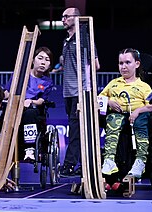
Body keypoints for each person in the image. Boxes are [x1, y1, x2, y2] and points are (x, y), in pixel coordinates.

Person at [99, 48, 152, 178]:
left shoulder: (144, 86)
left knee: (141, 119)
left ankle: (140, 161)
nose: (123, 67)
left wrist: (137, 111)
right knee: (113, 118)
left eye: (127, 62)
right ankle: (109, 161)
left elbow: (151, 106)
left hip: (137, 118)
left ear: (137, 64)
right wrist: (108, 102)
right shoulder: (113, 83)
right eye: (121, 63)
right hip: (118, 116)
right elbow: (98, 98)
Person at [57, 7, 101, 177]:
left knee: (77, 129)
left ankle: (69, 165)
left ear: (76, 18)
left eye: (66, 17)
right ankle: (81, 164)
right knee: (75, 128)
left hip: (81, 92)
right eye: (62, 17)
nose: (63, 20)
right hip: (68, 92)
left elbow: (95, 65)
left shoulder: (84, 38)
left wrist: (85, 86)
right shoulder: (66, 40)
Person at [4, 46, 54, 161]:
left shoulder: (47, 82)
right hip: (15, 109)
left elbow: (41, 100)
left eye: (47, 60)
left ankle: (29, 149)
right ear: (32, 60)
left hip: (32, 110)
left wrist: (30, 101)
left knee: (30, 113)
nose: (43, 62)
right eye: (40, 58)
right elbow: (7, 91)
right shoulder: (20, 74)